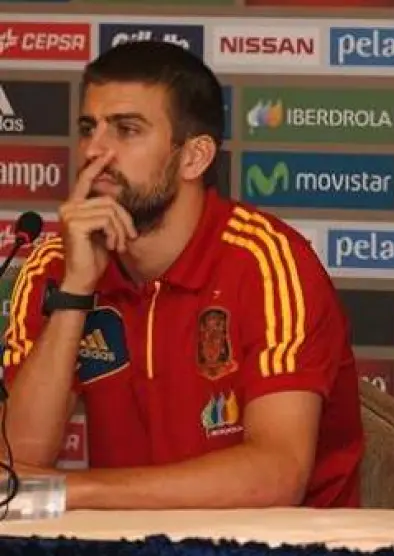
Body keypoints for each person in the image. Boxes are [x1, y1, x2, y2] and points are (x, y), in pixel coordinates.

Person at [0, 40, 364, 510]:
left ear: (194, 157)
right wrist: (74, 292)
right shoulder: (55, 264)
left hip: (273, 540)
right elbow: (16, 468)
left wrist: (76, 490)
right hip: (118, 537)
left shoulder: (267, 261)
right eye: (89, 128)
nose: (94, 151)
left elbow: (277, 475)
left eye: (127, 130)